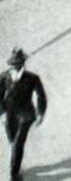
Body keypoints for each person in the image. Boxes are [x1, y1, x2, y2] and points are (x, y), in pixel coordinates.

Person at [0, 48, 46, 181]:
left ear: (23, 64)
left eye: (17, 64)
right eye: (12, 65)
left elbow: (40, 96)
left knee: (18, 143)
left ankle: (14, 175)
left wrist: (40, 113)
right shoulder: (3, 77)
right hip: (9, 114)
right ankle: (16, 160)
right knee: (13, 141)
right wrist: (2, 113)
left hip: (26, 114)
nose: (14, 67)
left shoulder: (33, 78)